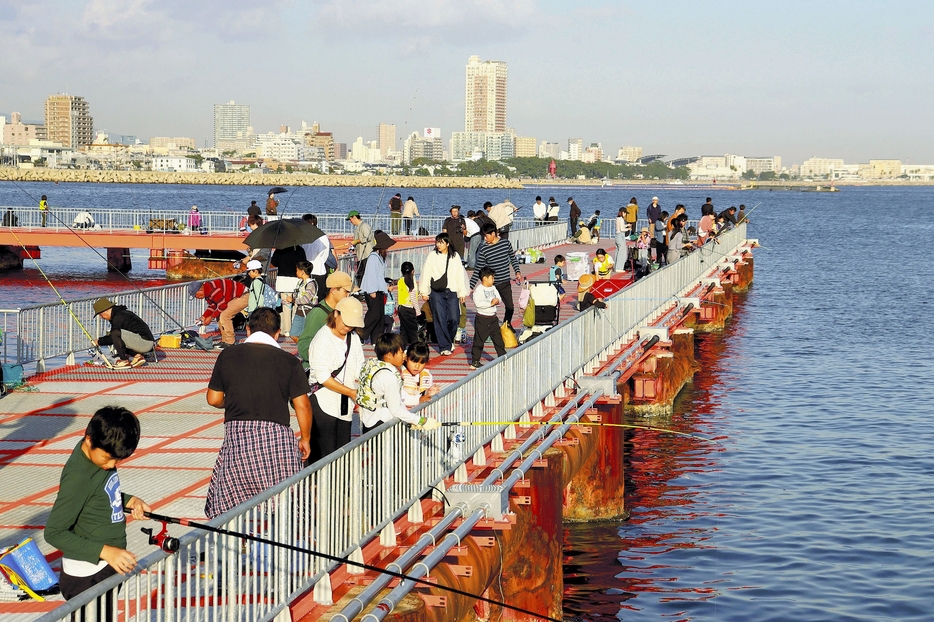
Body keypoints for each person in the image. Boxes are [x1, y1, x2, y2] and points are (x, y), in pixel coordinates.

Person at [204, 308, 311, 518]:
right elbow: (302, 405)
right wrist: (305, 438)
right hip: (276, 438)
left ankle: (241, 543)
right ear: (278, 333)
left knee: (234, 503)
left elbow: (213, 398)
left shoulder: (228, 355)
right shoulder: (289, 361)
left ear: (248, 329)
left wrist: (236, 400)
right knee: (284, 503)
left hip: (237, 437)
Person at [45, 406, 151, 607]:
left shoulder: (97, 452)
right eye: (108, 458)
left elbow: (96, 493)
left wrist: (128, 500)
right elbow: (54, 532)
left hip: (105, 566)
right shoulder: (78, 476)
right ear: (88, 439)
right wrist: (105, 551)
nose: (111, 465)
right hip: (88, 575)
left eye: (117, 460)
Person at [307, 297, 366, 463]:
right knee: (323, 454)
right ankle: (315, 486)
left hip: (345, 406)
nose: (348, 327)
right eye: (346, 322)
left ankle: (338, 488)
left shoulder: (352, 337)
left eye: (352, 324)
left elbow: (359, 367)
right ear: (336, 313)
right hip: (323, 403)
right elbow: (323, 377)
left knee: (342, 453)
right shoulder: (322, 339)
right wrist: (351, 392)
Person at [356, 333, 442, 433]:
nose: (404, 356)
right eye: (401, 352)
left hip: (368, 421)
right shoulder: (387, 376)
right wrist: (422, 421)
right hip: (381, 425)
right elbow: (396, 410)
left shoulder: (372, 365)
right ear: (388, 355)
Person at [419, 232, 468, 356]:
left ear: (447, 243)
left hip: (452, 290)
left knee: (454, 318)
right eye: (437, 242)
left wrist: (462, 292)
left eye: (441, 242)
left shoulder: (455, 256)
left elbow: (460, 275)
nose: (438, 245)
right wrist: (424, 291)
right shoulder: (432, 255)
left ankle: (448, 339)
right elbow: (426, 273)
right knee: (439, 318)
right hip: (437, 292)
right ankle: (444, 346)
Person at [469, 223, 522, 330]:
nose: (485, 238)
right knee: (488, 308)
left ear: (493, 233)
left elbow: (513, 258)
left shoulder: (505, 243)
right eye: (483, 236)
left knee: (510, 307)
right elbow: (478, 268)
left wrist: (517, 271)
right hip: (491, 285)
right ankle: (486, 328)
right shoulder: (484, 249)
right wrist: (471, 286)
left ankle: (507, 324)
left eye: (486, 235)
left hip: (505, 282)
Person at [296, 270, 352, 369]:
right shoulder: (318, 314)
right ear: (333, 290)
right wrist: (321, 357)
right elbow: (304, 345)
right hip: (318, 371)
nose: (348, 295)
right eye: (346, 291)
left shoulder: (341, 310)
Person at [93, 298, 154, 368]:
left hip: (144, 343)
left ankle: (124, 361)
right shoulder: (122, 313)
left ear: (106, 310)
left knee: (115, 333)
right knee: (118, 341)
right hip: (147, 343)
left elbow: (112, 337)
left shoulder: (118, 317)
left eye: (101, 314)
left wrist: (99, 341)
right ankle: (137, 356)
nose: (101, 317)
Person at [358, 231, 395, 344]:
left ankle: (376, 338)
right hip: (372, 291)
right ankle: (362, 333)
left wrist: (385, 286)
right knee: (373, 315)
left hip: (379, 290)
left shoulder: (378, 257)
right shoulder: (373, 258)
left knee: (379, 316)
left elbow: (379, 277)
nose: (387, 250)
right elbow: (371, 275)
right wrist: (372, 290)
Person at [192, 277, 248, 348]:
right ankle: (225, 340)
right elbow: (213, 306)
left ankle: (230, 342)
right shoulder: (207, 291)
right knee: (219, 315)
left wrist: (211, 318)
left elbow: (222, 306)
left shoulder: (212, 290)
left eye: (195, 295)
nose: (197, 297)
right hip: (235, 297)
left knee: (225, 315)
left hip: (243, 295)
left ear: (200, 290)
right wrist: (204, 317)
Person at [470, 267, 507, 370]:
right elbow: (478, 303)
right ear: (485, 278)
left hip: (493, 318)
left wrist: (497, 300)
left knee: (498, 339)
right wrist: (490, 303)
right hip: (482, 318)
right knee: (479, 340)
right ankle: (475, 361)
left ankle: (502, 356)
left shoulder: (493, 288)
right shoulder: (479, 290)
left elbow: (499, 298)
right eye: (492, 278)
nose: (493, 280)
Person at [287, 261, 317, 344]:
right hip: (299, 311)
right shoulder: (301, 283)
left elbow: (306, 300)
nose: (296, 272)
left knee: (305, 335)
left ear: (302, 272)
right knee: (293, 334)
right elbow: (298, 295)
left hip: (307, 312)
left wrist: (293, 300)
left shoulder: (311, 284)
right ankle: (303, 347)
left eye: (297, 270)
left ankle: (305, 349)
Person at [401, 342, 438, 407]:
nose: (417, 366)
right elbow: (400, 398)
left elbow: (427, 397)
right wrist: (419, 399)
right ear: (406, 358)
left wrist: (429, 392)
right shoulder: (399, 374)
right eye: (414, 362)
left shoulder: (427, 376)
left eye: (422, 363)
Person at [396, 261, 421, 346]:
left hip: (401, 308)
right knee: (413, 331)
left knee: (404, 330)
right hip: (409, 309)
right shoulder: (412, 281)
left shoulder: (400, 281)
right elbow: (413, 298)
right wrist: (418, 312)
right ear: (413, 271)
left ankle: (402, 349)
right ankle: (415, 350)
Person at [348, 210, 375, 284]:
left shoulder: (364, 226)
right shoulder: (357, 228)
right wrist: (353, 245)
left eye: (350, 219)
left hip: (367, 255)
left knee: (365, 275)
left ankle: (366, 291)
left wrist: (357, 241)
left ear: (354, 217)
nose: (350, 222)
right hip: (360, 256)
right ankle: (361, 291)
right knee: (360, 275)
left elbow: (368, 237)